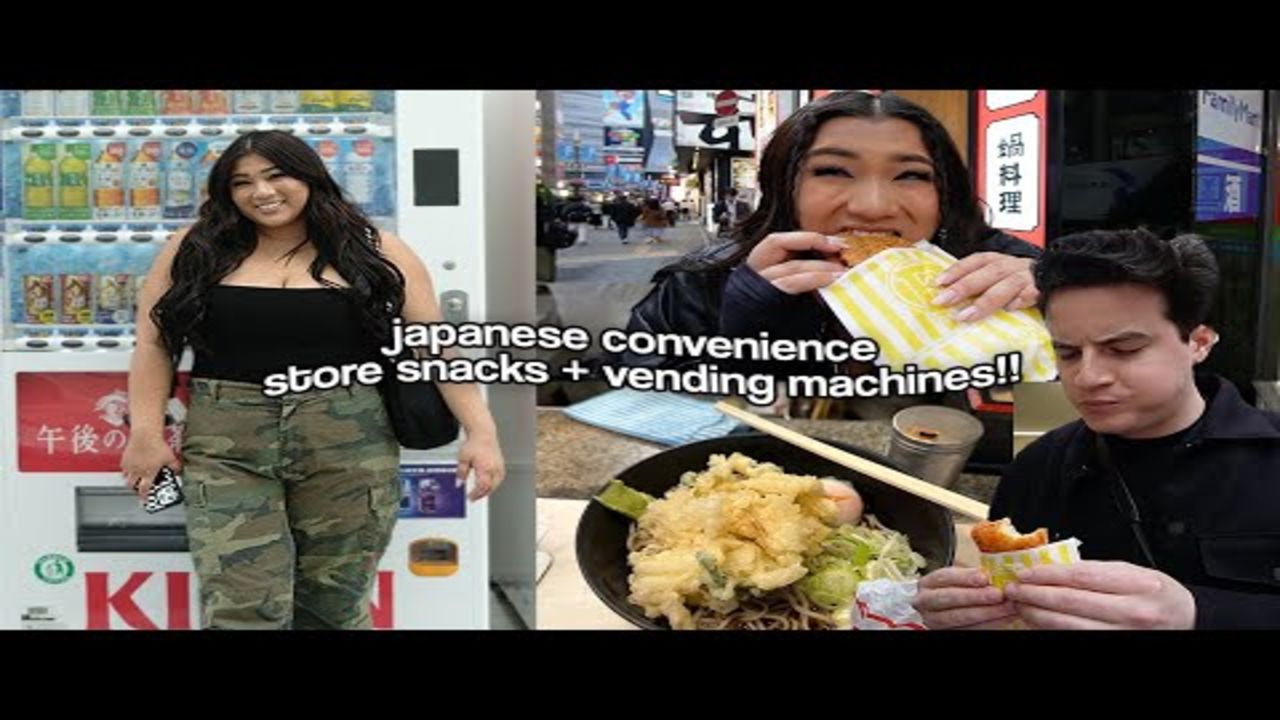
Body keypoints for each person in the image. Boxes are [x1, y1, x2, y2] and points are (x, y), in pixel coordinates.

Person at [120, 130, 506, 629]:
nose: (261, 192)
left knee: (335, 605)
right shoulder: (194, 248)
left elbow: (432, 344)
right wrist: (146, 435)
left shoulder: (375, 248)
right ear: (226, 192)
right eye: (242, 182)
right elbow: (154, 343)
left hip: (348, 440)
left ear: (309, 177)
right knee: (242, 605)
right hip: (227, 443)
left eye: (275, 175)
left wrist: (482, 432)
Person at [913, 228, 1280, 629]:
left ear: (1198, 343)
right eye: (1067, 353)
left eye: (1123, 350)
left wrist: (1196, 613)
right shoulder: (1038, 466)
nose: (1088, 376)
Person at [621, 91, 1040, 372]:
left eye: (911, 175)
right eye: (833, 171)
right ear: (784, 185)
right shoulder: (700, 286)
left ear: (944, 191)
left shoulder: (989, 268)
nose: (873, 207)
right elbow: (632, 420)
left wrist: (1066, 299)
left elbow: (1058, 434)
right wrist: (744, 352)